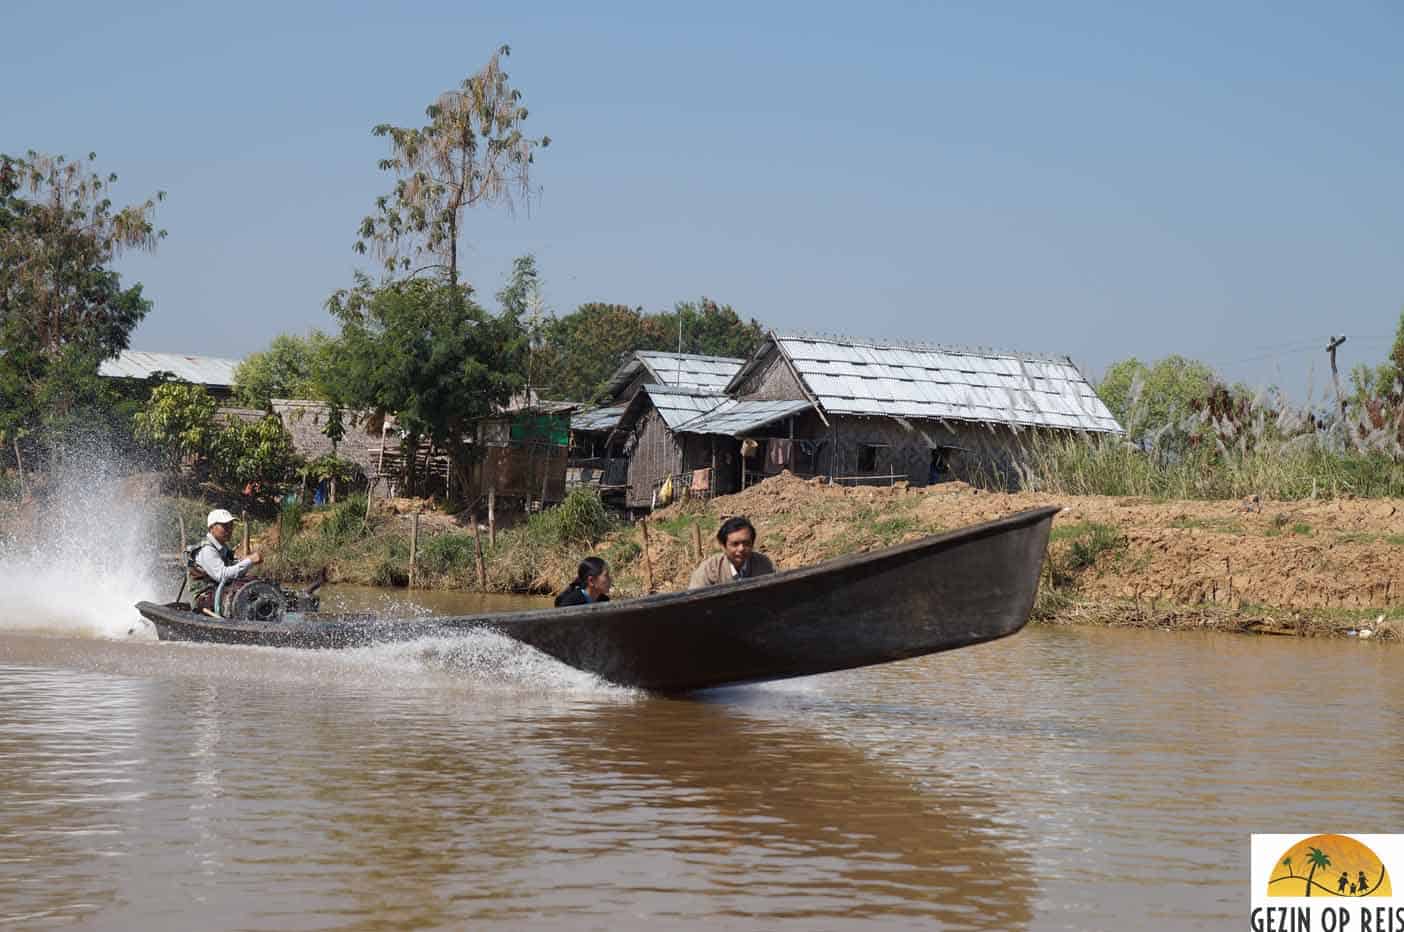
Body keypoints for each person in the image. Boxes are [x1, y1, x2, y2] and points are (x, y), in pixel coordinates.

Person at [189, 508, 262, 613]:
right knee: (237, 596)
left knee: (254, 583)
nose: (229, 529)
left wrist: (246, 562)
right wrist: (249, 561)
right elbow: (222, 576)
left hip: (219, 590)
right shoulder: (207, 550)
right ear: (211, 528)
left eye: (231, 525)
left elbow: (234, 570)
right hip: (203, 598)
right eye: (225, 526)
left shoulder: (223, 548)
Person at [688, 515, 775, 589]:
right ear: (723, 546)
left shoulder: (763, 565)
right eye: (735, 544)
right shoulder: (709, 571)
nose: (741, 548)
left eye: (746, 543)